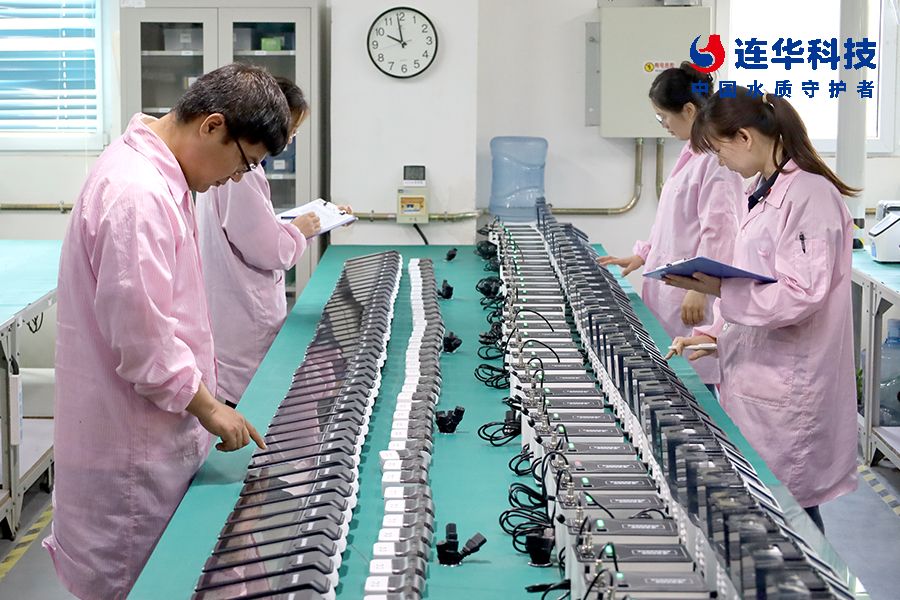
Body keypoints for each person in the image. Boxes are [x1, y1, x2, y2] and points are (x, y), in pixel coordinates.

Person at [43, 63, 287, 599]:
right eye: (244, 162)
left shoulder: (152, 173)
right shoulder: (138, 195)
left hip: (146, 437)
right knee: (146, 584)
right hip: (130, 461)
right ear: (212, 125)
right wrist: (210, 408)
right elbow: (144, 344)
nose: (237, 178)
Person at [665, 87, 859, 531]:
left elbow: (800, 294)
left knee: (791, 515)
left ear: (745, 137)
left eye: (719, 150)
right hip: (757, 373)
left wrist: (718, 289)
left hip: (790, 385)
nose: (719, 163)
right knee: (768, 507)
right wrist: (714, 334)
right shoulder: (763, 190)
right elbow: (755, 275)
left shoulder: (810, 195)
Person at [197, 78, 352, 407]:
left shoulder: (233, 166)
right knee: (253, 405)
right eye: (289, 128)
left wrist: (311, 221)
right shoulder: (242, 173)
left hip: (230, 314)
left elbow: (250, 228)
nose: (288, 138)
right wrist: (300, 230)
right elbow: (269, 249)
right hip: (243, 322)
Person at [598, 62, 743, 389]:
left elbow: (720, 233)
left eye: (663, 116)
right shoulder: (692, 153)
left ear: (689, 110)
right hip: (672, 292)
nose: (663, 124)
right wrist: (644, 254)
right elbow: (673, 222)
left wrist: (698, 288)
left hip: (692, 298)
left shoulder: (715, 161)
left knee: (695, 391)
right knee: (672, 380)